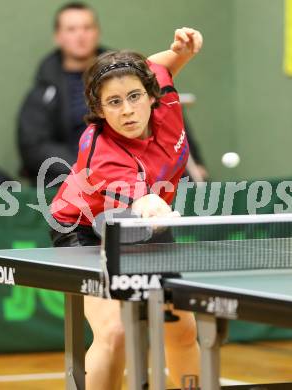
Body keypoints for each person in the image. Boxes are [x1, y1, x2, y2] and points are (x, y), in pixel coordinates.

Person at [50, 26, 203, 389]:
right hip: (85, 228)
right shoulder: (100, 149)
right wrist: (151, 204)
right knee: (115, 331)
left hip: (145, 224)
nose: (128, 110)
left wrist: (182, 52)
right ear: (99, 110)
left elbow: (158, 65)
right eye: (114, 102)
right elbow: (142, 199)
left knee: (182, 328)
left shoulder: (164, 99)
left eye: (135, 96)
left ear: (152, 95)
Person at [17, 2, 106, 185]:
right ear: (58, 37)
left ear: (97, 32)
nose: (80, 35)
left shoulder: (123, 77)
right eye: (71, 29)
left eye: (87, 28)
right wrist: (81, 167)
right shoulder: (44, 90)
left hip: (122, 173)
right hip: (68, 179)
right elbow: (33, 146)